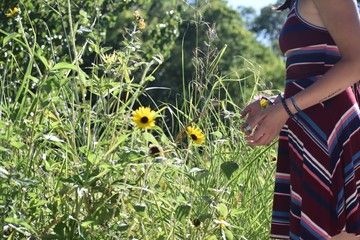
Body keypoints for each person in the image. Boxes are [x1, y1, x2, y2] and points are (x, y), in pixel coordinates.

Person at [240, 0, 360, 239]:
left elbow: (357, 63)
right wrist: (276, 102)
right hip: (309, 130)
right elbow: (315, 72)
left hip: (331, 131)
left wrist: (285, 108)